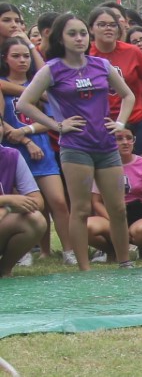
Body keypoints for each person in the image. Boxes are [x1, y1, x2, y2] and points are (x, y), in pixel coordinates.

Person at [16, 13, 137, 269]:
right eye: (72, 34)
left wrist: (120, 123)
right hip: (75, 148)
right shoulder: (52, 69)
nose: (79, 38)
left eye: (83, 33)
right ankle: (84, 269)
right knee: (80, 209)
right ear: (60, 37)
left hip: (106, 146)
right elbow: (25, 103)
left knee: (117, 209)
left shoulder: (101, 65)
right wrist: (57, 125)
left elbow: (128, 96)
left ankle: (125, 263)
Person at [2, 36, 67, 262]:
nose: (22, 60)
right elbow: (2, 121)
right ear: (5, 59)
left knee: (57, 201)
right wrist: (21, 139)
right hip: (14, 149)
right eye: (16, 56)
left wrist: (27, 132)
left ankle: (67, 250)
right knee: (23, 203)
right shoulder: (1, 85)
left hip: (43, 148)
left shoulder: (39, 85)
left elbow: (53, 119)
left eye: (26, 56)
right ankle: (29, 252)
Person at [89, 5, 142, 159]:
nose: (108, 29)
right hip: (99, 127)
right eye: (102, 25)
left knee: (139, 176)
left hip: (135, 124)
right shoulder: (85, 55)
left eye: (112, 25)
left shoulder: (132, 51)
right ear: (91, 29)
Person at [88, 125, 142, 259]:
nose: (125, 142)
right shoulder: (102, 166)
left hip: (137, 213)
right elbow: (96, 202)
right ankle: (112, 252)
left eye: (129, 138)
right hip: (111, 214)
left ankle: (141, 252)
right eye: (119, 138)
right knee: (86, 227)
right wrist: (115, 221)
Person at [0, 141, 46, 276]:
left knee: (35, 219)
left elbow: (37, 202)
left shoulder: (12, 155)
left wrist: (7, 209)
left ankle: (4, 270)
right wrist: (7, 200)